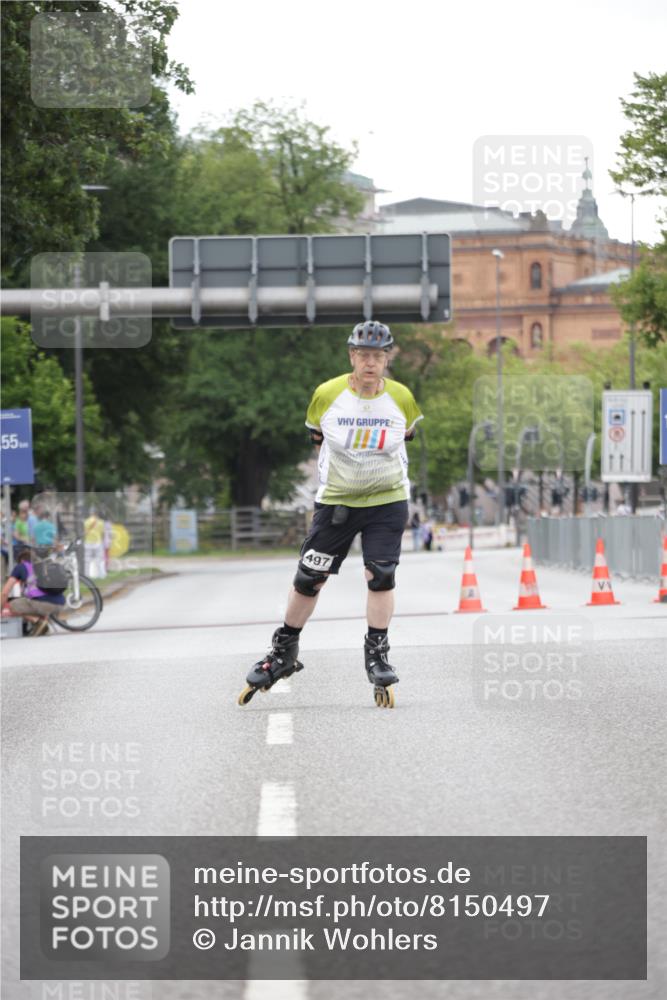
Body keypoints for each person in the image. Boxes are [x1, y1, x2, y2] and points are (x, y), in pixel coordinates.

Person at [238, 320, 423, 707]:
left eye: (378, 356)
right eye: (363, 355)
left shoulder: (402, 398)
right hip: (337, 501)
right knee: (310, 577)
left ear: (387, 358)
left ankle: (377, 653)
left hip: (387, 501)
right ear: (352, 356)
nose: (370, 363)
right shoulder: (327, 394)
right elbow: (316, 438)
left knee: (381, 575)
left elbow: (407, 436)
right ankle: (283, 651)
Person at [0, 548, 66, 636]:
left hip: (42, 605)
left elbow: (4, 593)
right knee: (30, 601)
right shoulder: (43, 566)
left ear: (21, 560)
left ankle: (38, 622)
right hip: (60, 604)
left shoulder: (21, 566)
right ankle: (42, 624)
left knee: (10, 604)